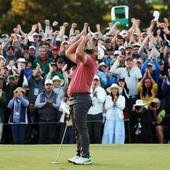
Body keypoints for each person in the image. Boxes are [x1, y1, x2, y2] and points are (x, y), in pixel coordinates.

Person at [66, 26, 98, 165]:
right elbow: (68, 52)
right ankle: (79, 154)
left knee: (81, 127)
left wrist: (84, 40)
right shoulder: (81, 62)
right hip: (75, 99)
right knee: (77, 128)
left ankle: (86, 156)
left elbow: (79, 52)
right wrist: (80, 37)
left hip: (82, 98)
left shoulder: (90, 61)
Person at [34, 79, 61, 144]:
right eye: (47, 85)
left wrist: (52, 104)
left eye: (50, 85)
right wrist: (45, 103)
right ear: (44, 86)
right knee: (42, 138)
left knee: (52, 138)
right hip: (42, 119)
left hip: (53, 119)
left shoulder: (56, 95)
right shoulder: (41, 95)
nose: (48, 86)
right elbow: (36, 105)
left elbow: (58, 106)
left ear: (52, 86)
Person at [87, 75, 106, 144]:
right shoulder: (87, 89)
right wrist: (92, 96)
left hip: (98, 114)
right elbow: (86, 100)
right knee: (89, 134)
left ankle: (98, 150)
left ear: (98, 82)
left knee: (97, 134)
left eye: (96, 80)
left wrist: (96, 96)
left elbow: (102, 100)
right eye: (94, 80)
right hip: (88, 114)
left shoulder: (101, 90)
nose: (95, 82)